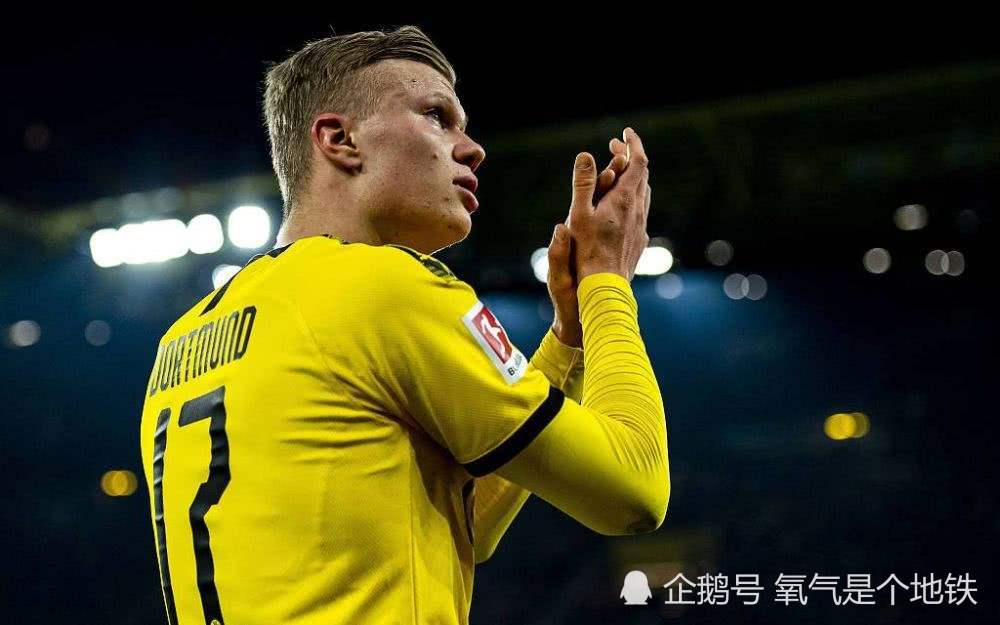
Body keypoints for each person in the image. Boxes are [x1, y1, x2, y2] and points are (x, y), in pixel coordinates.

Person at [139, 25, 669, 625]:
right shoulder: (382, 284)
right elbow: (634, 490)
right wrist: (607, 282)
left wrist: (568, 342)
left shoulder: (183, 339)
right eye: (437, 116)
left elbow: (460, 523)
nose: (473, 149)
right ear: (340, 140)